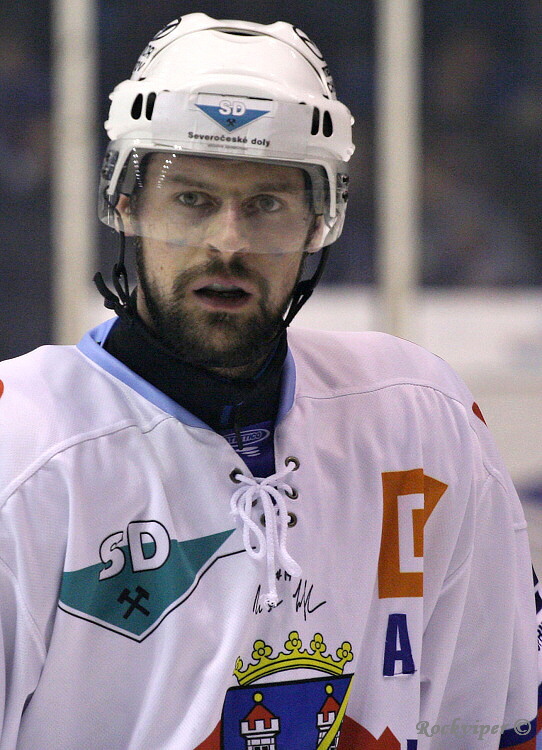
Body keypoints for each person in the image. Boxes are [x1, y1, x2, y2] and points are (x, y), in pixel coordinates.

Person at [0, 13, 540, 750]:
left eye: (267, 205)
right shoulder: (22, 449)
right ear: (125, 204)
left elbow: (498, 722)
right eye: (191, 199)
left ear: (322, 222)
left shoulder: (423, 423)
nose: (228, 241)